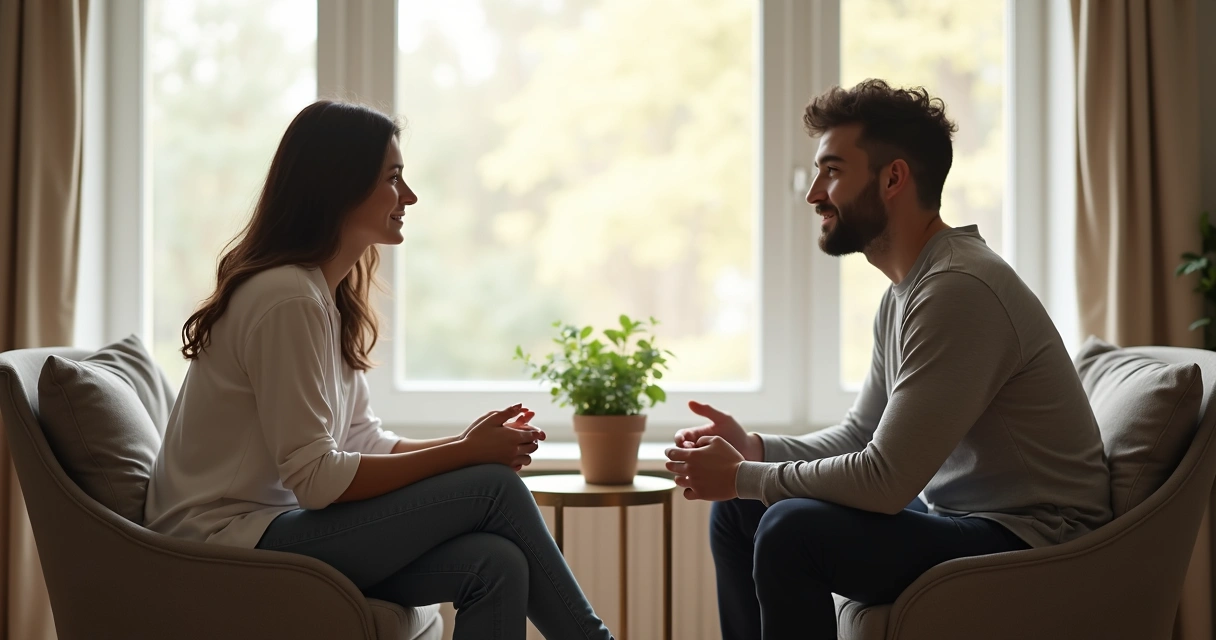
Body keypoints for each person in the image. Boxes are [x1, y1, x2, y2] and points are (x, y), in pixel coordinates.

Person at [144, 100, 614, 640]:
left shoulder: (325, 295)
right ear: (340, 185)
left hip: (268, 528)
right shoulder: (286, 297)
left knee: (496, 563)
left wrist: (465, 443)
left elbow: (363, 439)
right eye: (394, 179)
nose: (409, 196)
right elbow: (316, 479)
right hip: (220, 545)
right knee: (491, 487)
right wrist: (466, 456)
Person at [663, 79, 1112, 640]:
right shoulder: (906, 290)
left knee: (788, 528)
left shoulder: (958, 289)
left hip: (1035, 541)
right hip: (965, 521)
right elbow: (862, 433)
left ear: (892, 177)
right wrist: (755, 451)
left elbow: (884, 480)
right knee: (739, 512)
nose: (813, 194)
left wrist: (743, 474)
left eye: (832, 170)